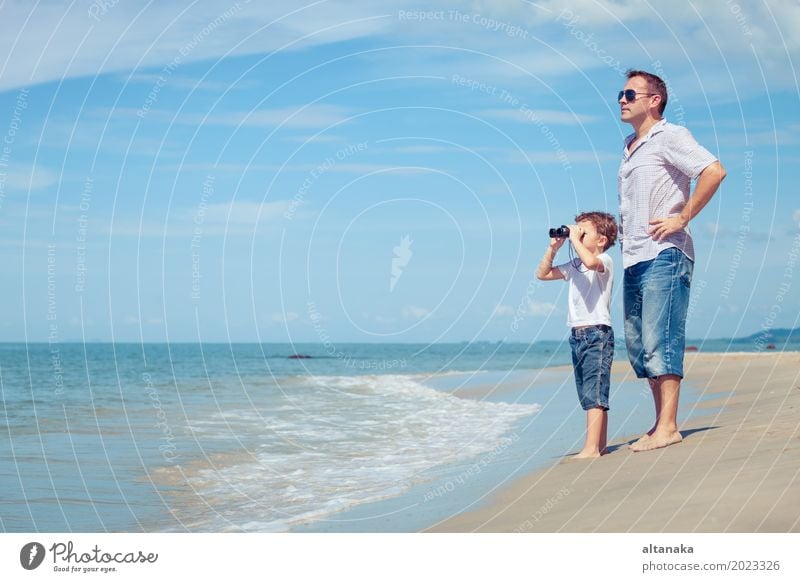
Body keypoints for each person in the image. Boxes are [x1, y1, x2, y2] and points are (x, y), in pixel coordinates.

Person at [617, 69, 726, 452]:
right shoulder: (630, 145)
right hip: (633, 257)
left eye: (631, 93)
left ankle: (669, 426)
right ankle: (660, 421)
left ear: (654, 100)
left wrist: (682, 217)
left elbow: (714, 171)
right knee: (638, 346)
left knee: (659, 338)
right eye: (621, 93)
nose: (622, 100)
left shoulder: (671, 136)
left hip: (665, 254)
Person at [537, 212, 618, 459]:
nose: (578, 235)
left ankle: (592, 448)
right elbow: (542, 273)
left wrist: (575, 240)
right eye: (577, 230)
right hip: (577, 334)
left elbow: (592, 263)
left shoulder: (604, 259)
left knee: (595, 391)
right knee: (587, 392)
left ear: (601, 240)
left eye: (584, 232)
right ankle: (600, 445)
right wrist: (554, 248)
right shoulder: (574, 266)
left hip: (597, 332)